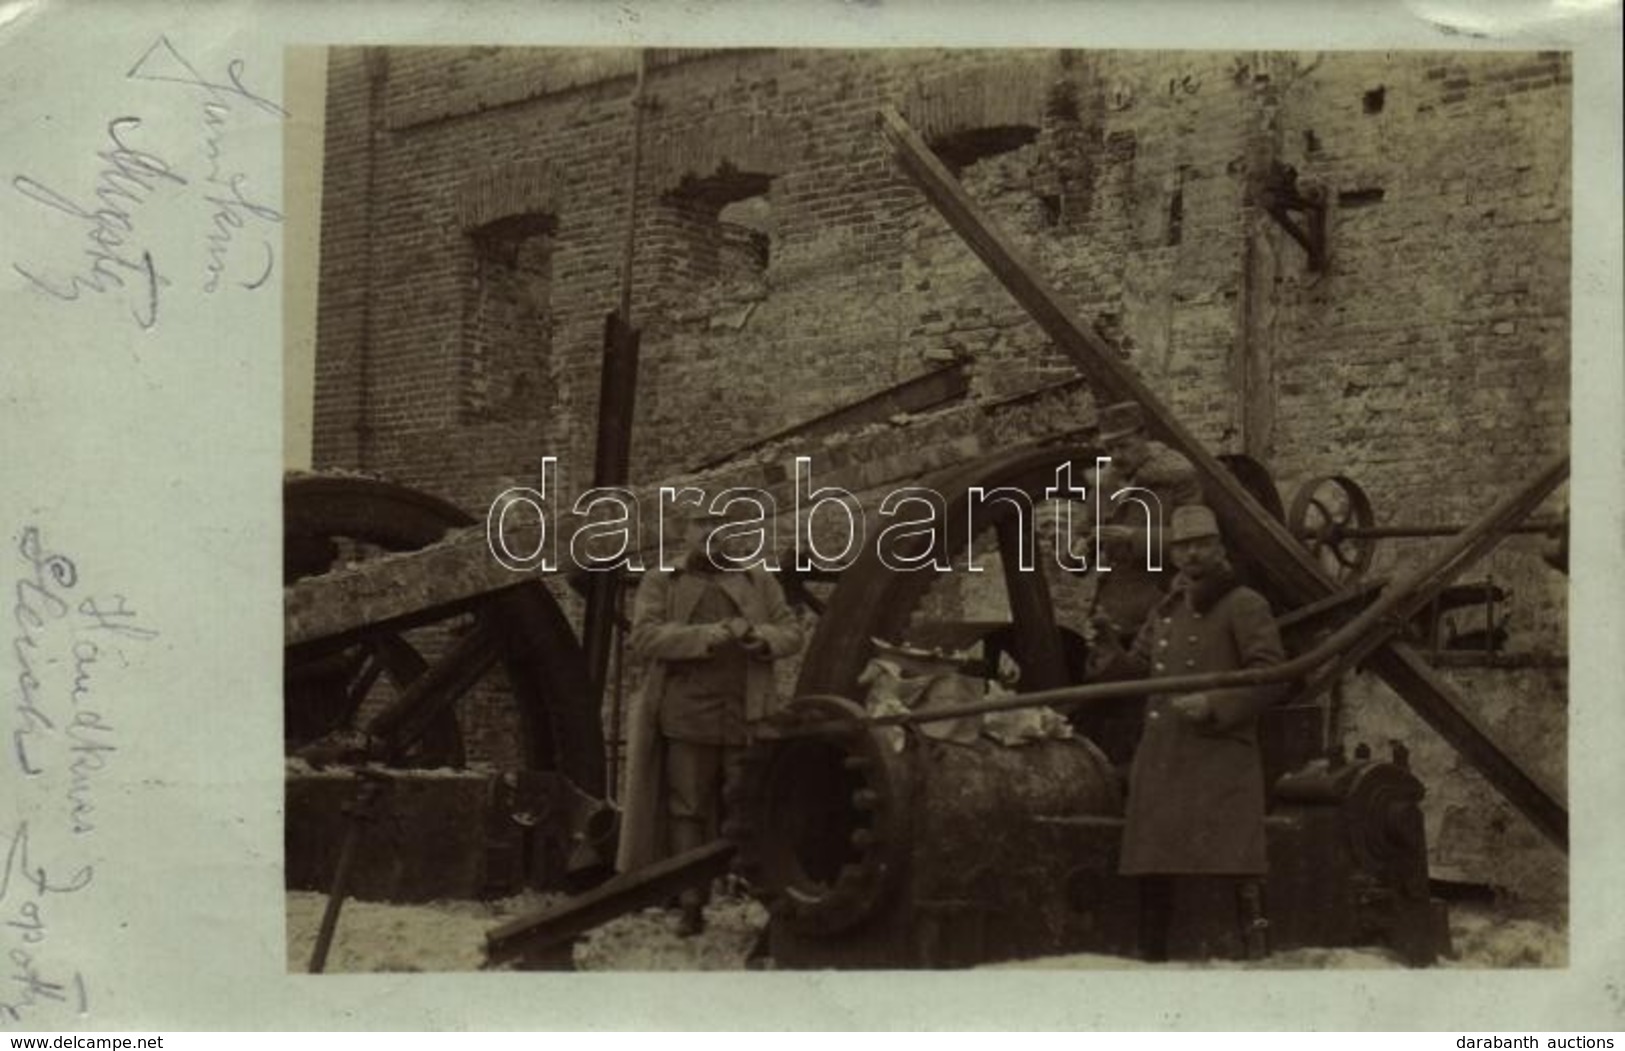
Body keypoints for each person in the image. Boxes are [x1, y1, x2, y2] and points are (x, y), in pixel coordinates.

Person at [1091, 504, 1286, 961]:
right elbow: (1140, 670)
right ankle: (1154, 963)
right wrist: (1107, 646)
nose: (1193, 554)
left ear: (1219, 548)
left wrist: (1216, 705)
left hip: (1216, 756)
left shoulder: (1244, 604)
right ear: (1173, 554)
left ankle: (1244, 957)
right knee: (1154, 868)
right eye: (1184, 546)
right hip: (1163, 757)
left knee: (1225, 864)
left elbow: (1273, 674)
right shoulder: (1168, 607)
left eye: (1202, 544)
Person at [614, 504, 804, 937]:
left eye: (723, 526)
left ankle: (766, 908)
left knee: (751, 806)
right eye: (704, 525)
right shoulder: (664, 579)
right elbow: (643, 636)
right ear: (686, 532)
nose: (713, 534)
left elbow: (791, 631)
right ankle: (691, 903)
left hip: (747, 713)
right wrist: (705, 637)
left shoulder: (758, 579)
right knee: (688, 809)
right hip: (687, 715)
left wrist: (761, 639)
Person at [1087, 400, 1204, 650]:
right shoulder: (1104, 486)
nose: (1116, 456)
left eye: (1124, 446)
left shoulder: (1177, 480)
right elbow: (1079, 551)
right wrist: (1080, 544)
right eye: (1109, 448)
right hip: (1111, 618)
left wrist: (1133, 537)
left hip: (1162, 611)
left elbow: (1194, 541)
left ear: (1144, 437)